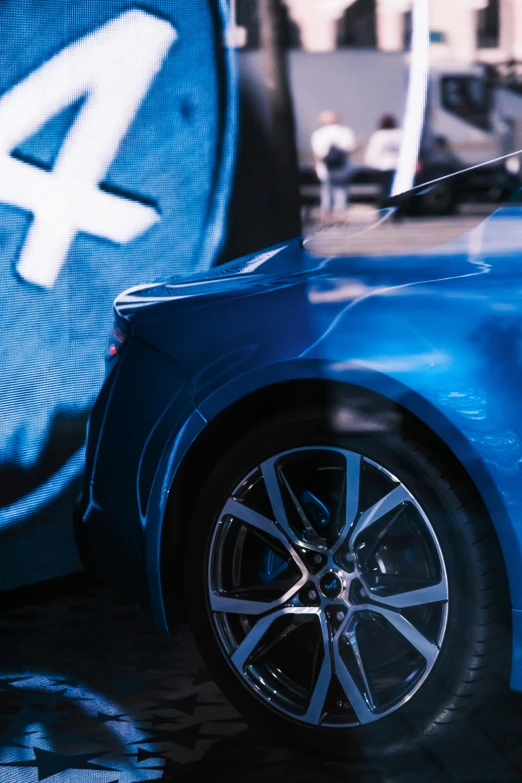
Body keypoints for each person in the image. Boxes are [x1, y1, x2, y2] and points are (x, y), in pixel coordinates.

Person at [311, 111, 357, 224]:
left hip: (325, 167)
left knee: (326, 191)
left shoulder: (318, 134)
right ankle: (340, 214)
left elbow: (316, 154)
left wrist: (318, 166)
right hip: (342, 167)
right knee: (341, 191)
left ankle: (325, 214)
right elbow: (351, 148)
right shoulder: (345, 131)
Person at [364, 113, 403, 203]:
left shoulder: (379, 135)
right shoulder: (400, 135)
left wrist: (370, 164)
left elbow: (373, 152)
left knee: (384, 190)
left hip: (383, 167)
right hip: (397, 165)